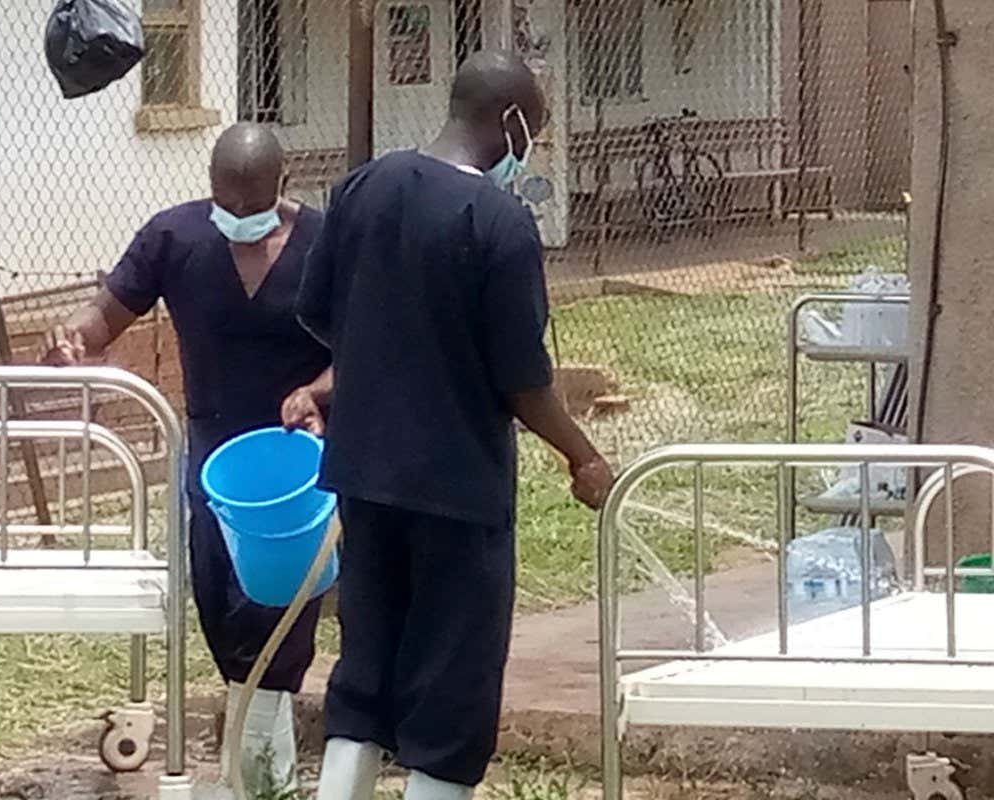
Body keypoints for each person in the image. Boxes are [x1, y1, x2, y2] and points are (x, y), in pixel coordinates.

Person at [285, 50, 615, 799]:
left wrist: (382, 363)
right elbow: (524, 383)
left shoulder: (362, 188)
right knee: (453, 678)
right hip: (457, 488)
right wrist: (585, 458)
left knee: (366, 657)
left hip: (364, 474)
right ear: (510, 121)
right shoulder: (498, 222)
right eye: (534, 128)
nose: (532, 143)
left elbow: (318, 312)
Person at [40, 122, 332, 791]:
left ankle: (263, 773)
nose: (238, 216)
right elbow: (106, 316)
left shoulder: (325, 245)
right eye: (225, 201)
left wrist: (318, 390)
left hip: (294, 458)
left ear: (283, 188)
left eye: (251, 202)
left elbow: (365, 346)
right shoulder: (175, 238)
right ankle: (251, 764)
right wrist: (75, 341)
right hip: (210, 454)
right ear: (209, 189)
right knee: (219, 605)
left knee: (279, 609)